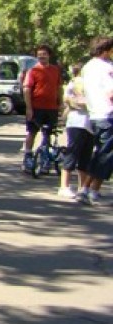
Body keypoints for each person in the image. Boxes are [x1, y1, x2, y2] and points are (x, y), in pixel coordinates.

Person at [81, 36, 113, 205]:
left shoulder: (87, 66)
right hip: (108, 113)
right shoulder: (106, 68)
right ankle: (92, 190)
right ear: (106, 50)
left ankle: (87, 188)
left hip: (94, 113)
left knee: (101, 152)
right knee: (105, 155)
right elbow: (111, 92)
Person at [22, 44, 63, 173]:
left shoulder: (55, 70)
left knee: (48, 133)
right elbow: (27, 90)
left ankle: (45, 159)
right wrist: (29, 108)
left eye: (44, 54)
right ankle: (27, 157)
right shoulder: (33, 71)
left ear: (49, 55)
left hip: (51, 108)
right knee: (32, 132)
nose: (41, 56)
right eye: (39, 54)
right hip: (36, 108)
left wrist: (61, 103)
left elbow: (59, 87)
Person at [58, 63, 94, 200]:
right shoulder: (76, 83)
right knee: (73, 153)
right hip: (77, 123)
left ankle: (82, 187)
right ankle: (64, 186)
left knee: (85, 156)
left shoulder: (90, 83)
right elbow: (69, 100)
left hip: (90, 124)